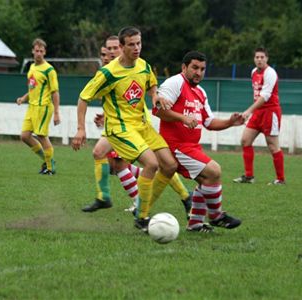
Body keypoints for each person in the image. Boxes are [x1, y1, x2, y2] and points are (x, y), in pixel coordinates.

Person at [72, 26, 177, 231]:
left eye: (139, 43)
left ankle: (144, 206)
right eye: (131, 44)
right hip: (120, 128)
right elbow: (83, 98)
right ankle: (143, 216)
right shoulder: (108, 73)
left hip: (141, 125)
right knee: (151, 163)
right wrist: (80, 129)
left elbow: (151, 84)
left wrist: (155, 96)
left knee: (170, 165)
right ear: (121, 47)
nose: (137, 48)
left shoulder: (143, 65)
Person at [83, 42, 192, 217]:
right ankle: (105, 197)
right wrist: (105, 116)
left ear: (121, 48)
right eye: (106, 51)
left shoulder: (135, 65)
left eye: (113, 49)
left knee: (139, 164)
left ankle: (147, 201)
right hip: (118, 124)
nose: (109, 53)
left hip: (134, 124)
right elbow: (117, 98)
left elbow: (138, 92)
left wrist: (155, 96)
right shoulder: (109, 72)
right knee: (99, 153)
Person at [155, 50, 243, 232]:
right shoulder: (175, 82)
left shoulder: (200, 92)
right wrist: (183, 118)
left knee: (207, 179)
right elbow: (158, 110)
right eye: (195, 68)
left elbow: (209, 122)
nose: (199, 72)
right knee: (214, 171)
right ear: (184, 67)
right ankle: (217, 216)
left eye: (202, 69)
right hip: (175, 146)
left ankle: (195, 224)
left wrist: (230, 122)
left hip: (191, 147)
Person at [233, 47, 285, 185]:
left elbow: (265, 96)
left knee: (273, 145)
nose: (259, 60)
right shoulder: (253, 72)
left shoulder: (270, 73)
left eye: (262, 57)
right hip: (258, 112)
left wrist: (249, 111)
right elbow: (257, 95)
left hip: (270, 112)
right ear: (254, 59)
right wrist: (253, 111)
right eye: (257, 57)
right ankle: (249, 177)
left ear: (267, 59)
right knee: (245, 140)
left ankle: (280, 179)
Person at [16, 38, 60, 175]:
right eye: (36, 51)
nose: (39, 53)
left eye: (41, 51)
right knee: (24, 136)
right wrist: (24, 98)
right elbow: (33, 88)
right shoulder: (32, 67)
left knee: (41, 135)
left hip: (44, 107)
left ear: (45, 52)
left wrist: (57, 112)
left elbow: (55, 92)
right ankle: (48, 161)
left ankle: (50, 168)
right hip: (32, 107)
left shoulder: (49, 70)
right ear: (32, 51)